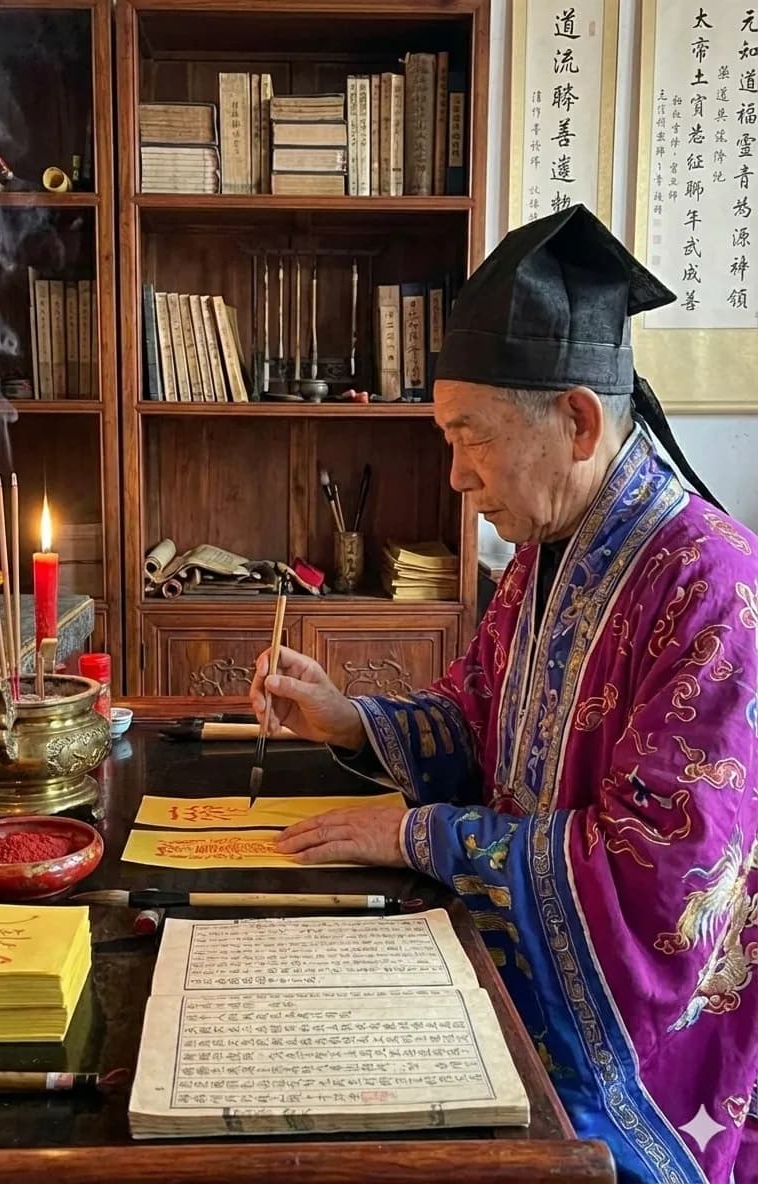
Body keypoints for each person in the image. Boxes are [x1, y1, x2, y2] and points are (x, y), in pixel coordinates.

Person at [249, 205, 758, 1184]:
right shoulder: (540, 555)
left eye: (466, 437)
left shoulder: (714, 589)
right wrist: (350, 718)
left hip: (640, 1059)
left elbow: (655, 883)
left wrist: (418, 835)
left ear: (574, 418)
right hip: (505, 955)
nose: (455, 475)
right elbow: (475, 715)